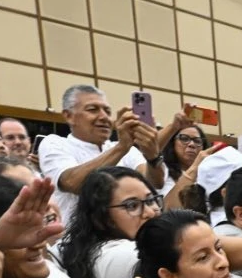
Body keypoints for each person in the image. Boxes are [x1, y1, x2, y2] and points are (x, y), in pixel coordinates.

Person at [39, 84, 162, 226]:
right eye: (93, 110)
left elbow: (154, 184)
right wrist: (121, 148)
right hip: (76, 243)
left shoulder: (125, 149)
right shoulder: (55, 143)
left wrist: (152, 155)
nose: (104, 117)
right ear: (69, 116)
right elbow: (72, 183)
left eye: (107, 112)